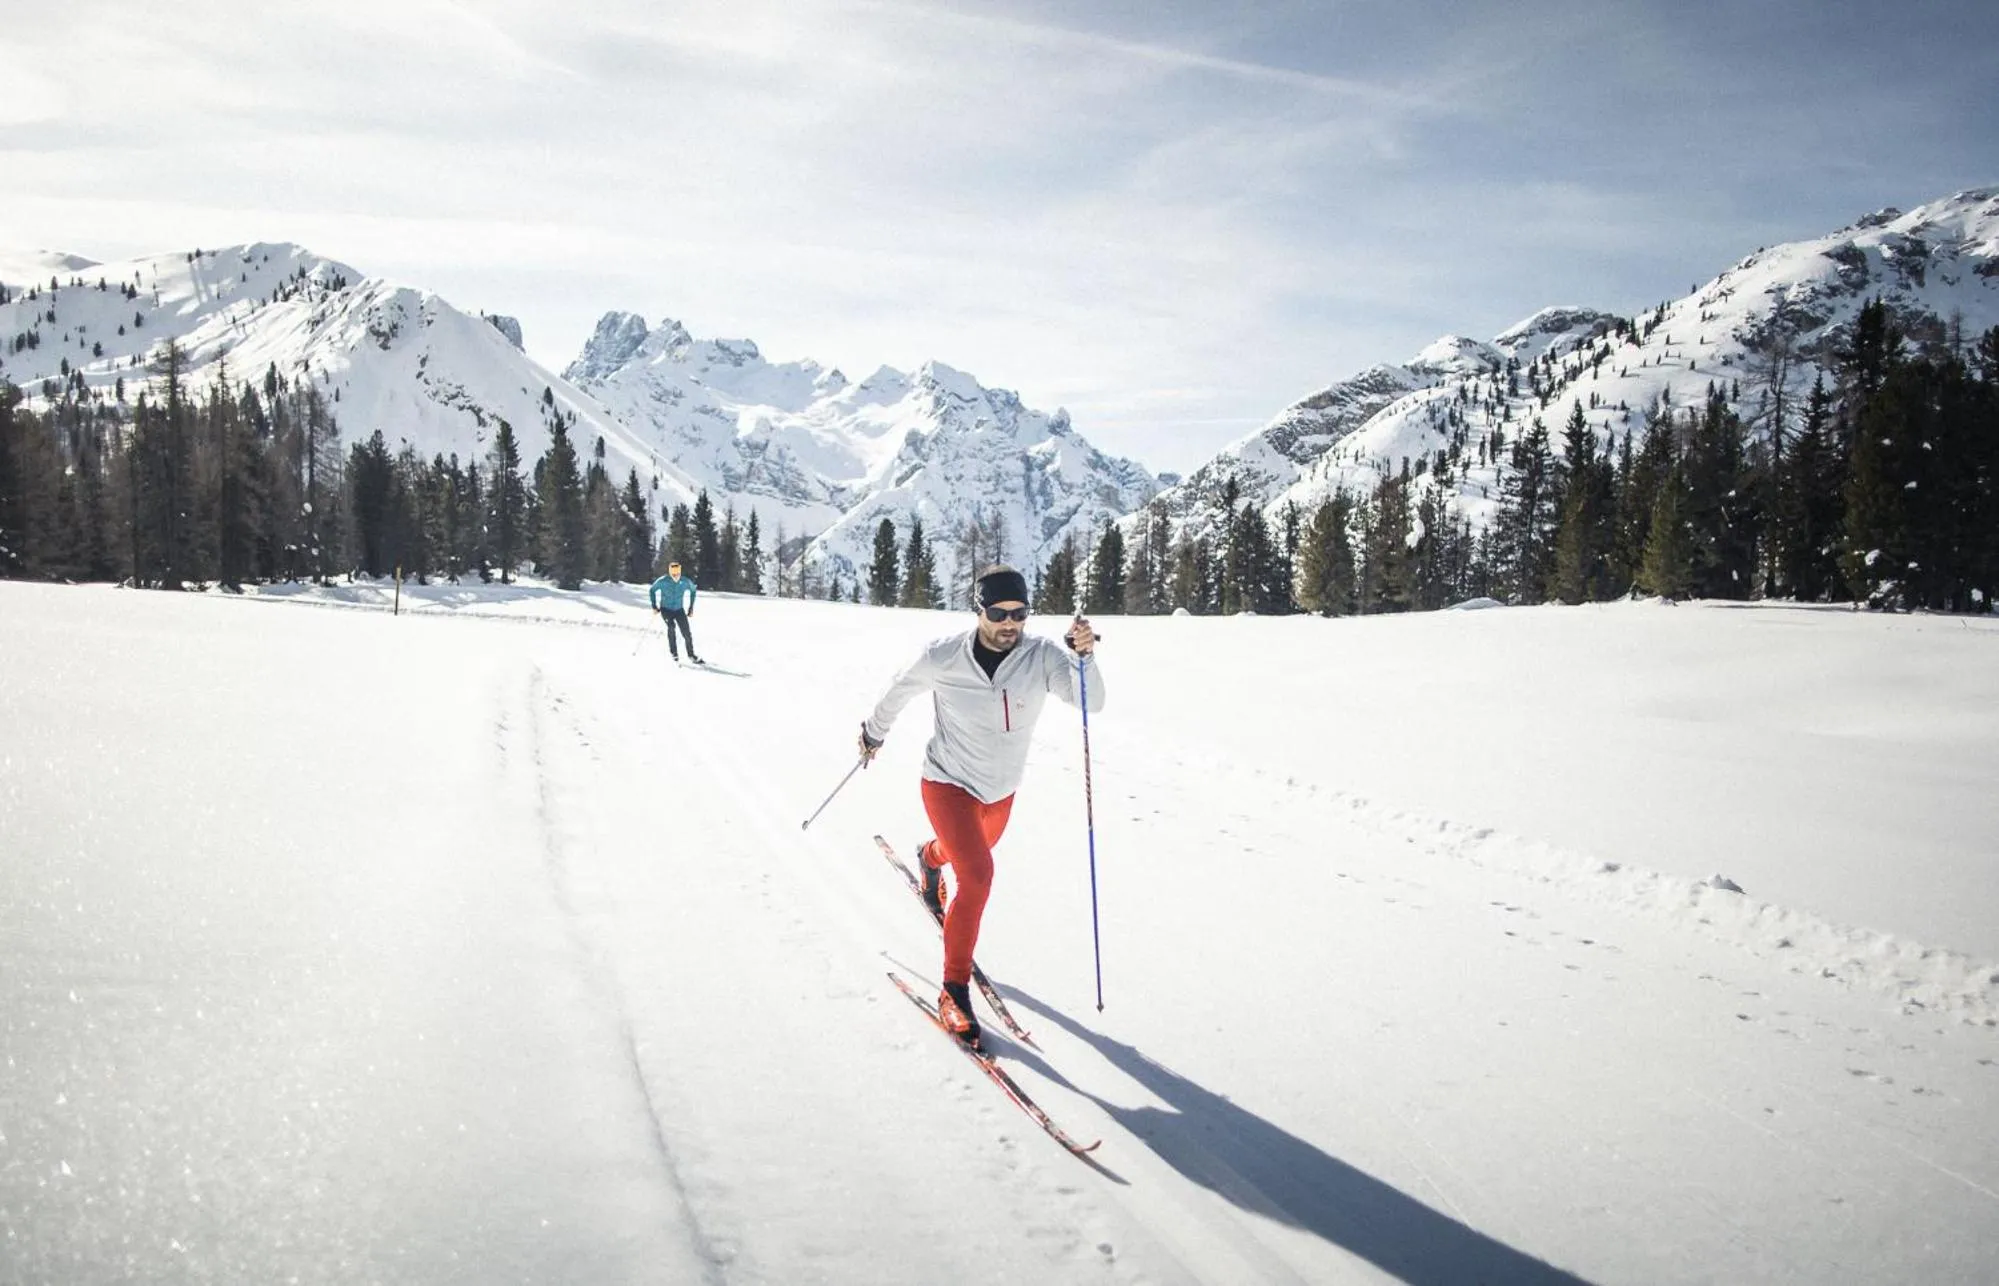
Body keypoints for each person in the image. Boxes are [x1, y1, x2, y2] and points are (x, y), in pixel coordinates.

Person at [857, 564, 1102, 1047]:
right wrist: (872, 732)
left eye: (1020, 613)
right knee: (979, 875)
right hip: (947, 783)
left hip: (999, 794)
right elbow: (899, 689)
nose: (1010, 622)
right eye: (998, 612)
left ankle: (931, 859)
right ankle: (953, 989)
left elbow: (1090, 703)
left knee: (967, 855)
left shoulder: (1042, 657)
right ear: (978, 610)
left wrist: (1083, 659)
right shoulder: (944, 656)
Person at [648, 561, 702, 664]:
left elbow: (693, 590)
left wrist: (691, 607)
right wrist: (654, 606)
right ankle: (674, 653)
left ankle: (691, 655)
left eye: (677, 573)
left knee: (686, 632)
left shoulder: (685, 581)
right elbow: (652, 590)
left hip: (679, 610)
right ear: (669, 572)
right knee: (671, 626)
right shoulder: (663, 581)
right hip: (666, 609)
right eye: (673, 573)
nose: (675, 575)